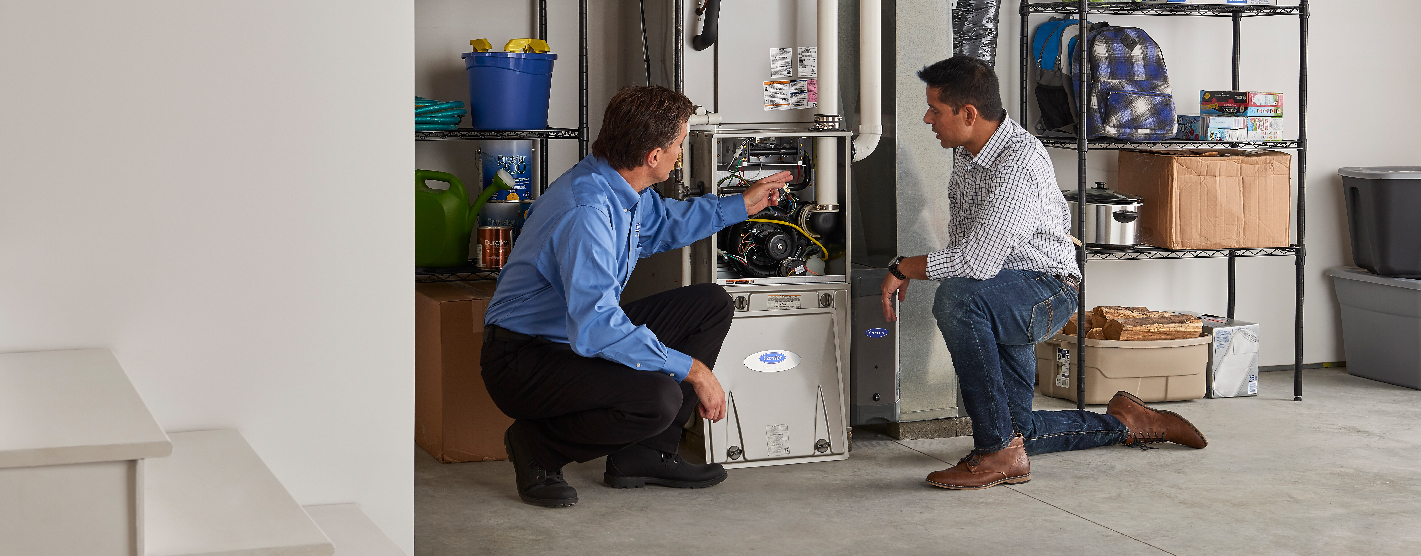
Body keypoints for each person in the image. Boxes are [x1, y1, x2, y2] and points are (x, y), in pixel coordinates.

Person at [879, 55, 1208, 491]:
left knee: (957, 299)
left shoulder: (1018, 163)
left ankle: (997, 453)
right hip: (1000, 291)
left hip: (1044, 290)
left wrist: (904, 266)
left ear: (969, 114)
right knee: (1020, 429)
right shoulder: (968, 153)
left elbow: (976, 262)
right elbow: (972, 252)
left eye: (935, 110)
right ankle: (1127, 422)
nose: (927, 119)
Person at [481, 85, 792, 507]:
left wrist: (740, 205)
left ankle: (645, 454)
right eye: (679, 144)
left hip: (568, 338)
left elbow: (663, 223)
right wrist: (694, 371)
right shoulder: (586, 212)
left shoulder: (618, 186)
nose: (681, 154)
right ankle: (538, 446)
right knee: (658, 398)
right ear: (654, 156)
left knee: (709, 305)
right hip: (526, 361)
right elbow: (595, 328)